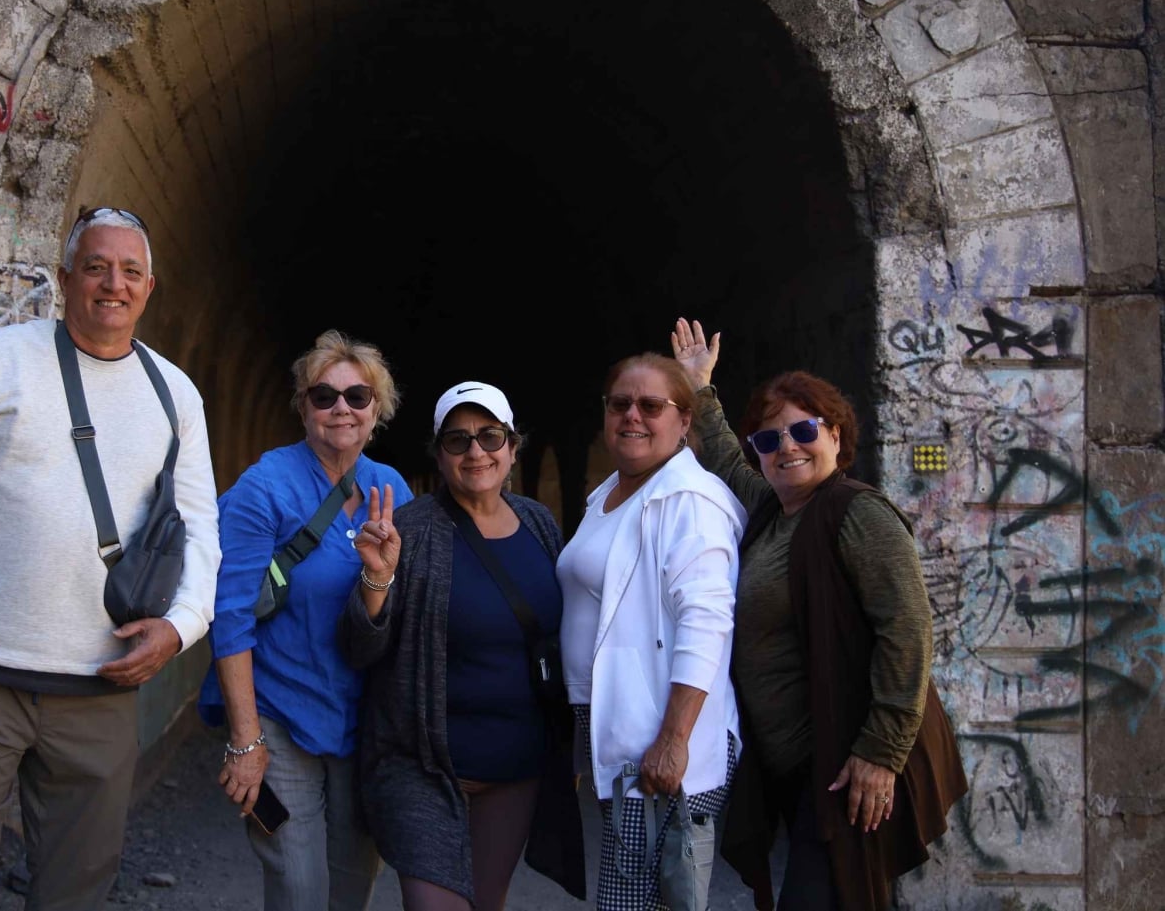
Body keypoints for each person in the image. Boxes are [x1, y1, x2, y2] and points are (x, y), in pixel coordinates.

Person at [0, 205, 221, 909]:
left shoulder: (176, 395)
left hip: (100, 682)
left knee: (77, 887)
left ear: (149, 287)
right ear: (65, 277)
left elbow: (199, 527)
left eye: (130, 270)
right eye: (96, 266)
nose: (113, 283)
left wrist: (182, 623)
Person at [669, 317, 969, 911]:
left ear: (835, 435)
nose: (787, 447)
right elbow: (729, 461)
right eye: (769, 439)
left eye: (802, 430)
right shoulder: (772, 512)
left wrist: (881, 755)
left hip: (846, 761)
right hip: (800, 768)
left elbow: (907, 632)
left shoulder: (857, 513)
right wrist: (700, 388)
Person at [339, 381, 587, 911]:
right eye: (458, 440)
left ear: (513, 448)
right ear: (440, 453)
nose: (476, 451)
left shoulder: (540, 524)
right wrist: (377, 579)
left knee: (485, 902)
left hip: (514, 768)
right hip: (421, 766)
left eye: (490, 437)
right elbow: (360, 647)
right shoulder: (410, 529)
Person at [199, 329, 413, 911]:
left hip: (361, 721)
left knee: (351, 887)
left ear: (378, 408)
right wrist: (246, 740)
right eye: (324, 396)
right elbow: (232, 614)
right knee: (298, 887)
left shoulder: (390, 490)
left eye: (357, 396)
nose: (341, 407)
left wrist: (380, 575)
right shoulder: (264, 489)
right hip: (281, 713)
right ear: (303, 407)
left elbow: (399, 617)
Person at [555, 353, 746, 911]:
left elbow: (706, 621)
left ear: (684, 421)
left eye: (650, 405)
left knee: (648, 901)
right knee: (631, 896)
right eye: (620, 404)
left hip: (661, 741)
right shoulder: (613, 491)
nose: (632, 416)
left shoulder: (689, 499)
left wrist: (674, 739)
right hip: (622, 734)